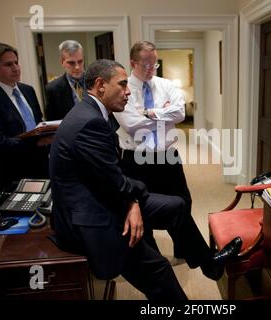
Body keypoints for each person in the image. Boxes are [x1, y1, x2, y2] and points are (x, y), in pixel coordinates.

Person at [49, 59, 242, 300]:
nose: (128, 91)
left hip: (104, 196)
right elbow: (116, 182)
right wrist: (134, 200)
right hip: (92, 215)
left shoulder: (94, 112)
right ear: (100, 85)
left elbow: (111, 177)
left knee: (178, 206)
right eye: (122, 84)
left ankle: (208, 264)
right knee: (158, 270)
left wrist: (133, 200)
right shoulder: (89, 122)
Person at [113, 41, 190, 257]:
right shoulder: (122, 87)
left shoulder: (165, 84)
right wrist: (165, 115)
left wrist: (149, 113)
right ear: (133, 63)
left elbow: (180, 114)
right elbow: (131, 124)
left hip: (168, 156)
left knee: (184, 202)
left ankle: (183, 250)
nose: (151, 69)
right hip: (137, 159)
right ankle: (152, 257)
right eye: (146, 64)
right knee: (144, 209)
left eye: (154, 64)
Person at [0, 42, 49, 188]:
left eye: (16, 62)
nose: (16, 68)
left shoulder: (28, 90)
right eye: (8, 64)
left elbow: (38, 123)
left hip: (40, 167)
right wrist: (35, 143)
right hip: (11, 174)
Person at [44, 40, 86, 121]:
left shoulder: (96, 82)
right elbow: (52, 121)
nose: (77, 67)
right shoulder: (53, 89)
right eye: (71, 63)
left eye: (80, 61)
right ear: (62, 62)